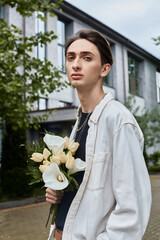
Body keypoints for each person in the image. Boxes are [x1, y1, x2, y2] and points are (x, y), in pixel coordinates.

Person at [46, 29, 152, 240]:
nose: (76, 64)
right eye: (70, 57)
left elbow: (132, 212)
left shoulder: (119, 121)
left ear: (104, 69)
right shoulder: (79, 122)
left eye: (87, 57)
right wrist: (60, 191)